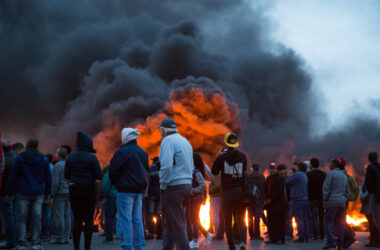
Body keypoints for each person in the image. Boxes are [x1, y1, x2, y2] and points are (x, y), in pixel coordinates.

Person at [6, 138, 52, 250]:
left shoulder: (21, 158)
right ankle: (36, 242)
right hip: (38, 193)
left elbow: (13, 175)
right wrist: (48, 193)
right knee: (36, 217)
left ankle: (21, 243)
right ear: (37, 145)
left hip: (23, 192)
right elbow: (48, 177)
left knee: (21, 218)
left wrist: (9, 191)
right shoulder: (43, 158)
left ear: (27, 145)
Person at [109, 128, 149, 250]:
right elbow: (146, 171)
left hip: (125, 190)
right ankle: (139, 246)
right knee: (137, 220)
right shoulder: (142, 152)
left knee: (125, 219)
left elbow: (113, 171)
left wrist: (117, 183)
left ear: (125, 137)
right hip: (139, 191)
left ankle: (127, 246)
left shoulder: (122, 152)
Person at [158, 118, 193, 250]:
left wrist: (163, 185)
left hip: (174, 187)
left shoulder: (167, 141)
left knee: (177, 222)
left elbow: (166, 166)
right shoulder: (185, 141)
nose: (160, 133)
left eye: (160, 130)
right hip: (187, 185)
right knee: (171, 221)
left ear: (164, 130)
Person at [64, 131, 102, 250]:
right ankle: (87, 247)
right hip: (88, 190)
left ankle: (76, 247)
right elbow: (99, 175)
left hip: (74, 190)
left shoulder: (71, 156)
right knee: (88, 220)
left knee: (77, 219)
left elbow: (66, 175)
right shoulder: (92, 157)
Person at [211, 132, 247, 250]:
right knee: (241, 220)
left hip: (227, 194)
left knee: (228, 221)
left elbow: (214, 171)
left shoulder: (222, 157)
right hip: (240, 193)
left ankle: (231, 245)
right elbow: (244, 171)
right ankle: (242, 242)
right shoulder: (242, 156)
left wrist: (220, 156)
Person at [187, 153, 213, 248]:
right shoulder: (193, 171)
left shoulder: (196, 172)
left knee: (193, 219)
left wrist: (193, 190)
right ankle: (206, 234)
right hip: (193, 198)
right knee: (193, 218)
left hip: (196, 198)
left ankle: (195, 241)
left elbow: (203, 185)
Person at [322, 159, 349, 250]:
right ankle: (340, 244)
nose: (329, 165)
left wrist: (325, 200)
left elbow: (326, 188)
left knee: (328, 220)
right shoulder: (344, 175)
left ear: (334, 164)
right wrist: (344, 199)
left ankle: (331, 241)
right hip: (342, 202)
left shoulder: (331, 174)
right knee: (341, 224)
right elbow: (347, 191)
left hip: (332, 201)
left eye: (330, 163)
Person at [50, 147, 70, 245]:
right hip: (69, 192)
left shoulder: (57, 166)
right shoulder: (70, 164)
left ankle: (59, 238)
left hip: (59, 193)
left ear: (59, 155)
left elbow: (55, 182)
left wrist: (52, 194)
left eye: (57, 154)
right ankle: (66, 237)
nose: (56, 155)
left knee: (59, 216)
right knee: (67, 216)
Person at [286, 162, 310, 242]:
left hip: (298, 200)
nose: (295, 168)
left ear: (299, 168)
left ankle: (301, 237)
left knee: (299, 219)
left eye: (296, 167)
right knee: (305, 218)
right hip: (304, 199)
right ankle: (307, 236)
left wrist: (287, 175)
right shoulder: (304, 175)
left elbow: (287, 181)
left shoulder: (298, 174)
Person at [264, 163, 287, 245]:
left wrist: (271, 199)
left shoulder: (280, 179)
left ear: (276, 170)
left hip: (279, 204)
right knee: (271, 221)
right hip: (270, 204)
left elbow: (279, 191)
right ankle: (273, 238)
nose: (272, 170)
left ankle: (280, 238)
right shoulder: (268, 178)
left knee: (279, 221)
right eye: (270, 168)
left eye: (273, 168)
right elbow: (265, 190)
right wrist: (267, 198)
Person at [337, 157, 357, 248]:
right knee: (340, 220)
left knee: (339, 220)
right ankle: (347, 236)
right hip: (341, 200)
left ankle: (348, 236)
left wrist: (349, 197)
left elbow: (355, 189)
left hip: (340, 200)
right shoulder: (346, 176)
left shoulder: (343, 176)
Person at [0, 141, 17, 249]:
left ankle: (11, 241)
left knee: (7, 218)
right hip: (12, 193)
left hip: (5, 193)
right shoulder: (14, 159)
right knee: (11, 216)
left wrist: (7, 192)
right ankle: (12, 240)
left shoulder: (5, 161)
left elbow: (7, 179)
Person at [307, 157, 326, 240]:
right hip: (320, 198)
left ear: (311, 164)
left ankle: (315, 234)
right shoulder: (323, 174)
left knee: (313, 217)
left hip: (311, 198)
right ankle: (322, 233)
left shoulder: (308, 175)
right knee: (321, 216)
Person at [360, 171, 380, 247]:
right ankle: (373, 240)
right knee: (372, 223)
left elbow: (366, 190)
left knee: (373, 223)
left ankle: (375, 240)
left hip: (370, 203)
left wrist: (363, 196)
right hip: (368, 203)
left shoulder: (371, 180)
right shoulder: (367, 179)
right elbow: (362, 189)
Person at [247, 164, 266, 240]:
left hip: (250, 201)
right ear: (259, 169)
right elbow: (264, 189)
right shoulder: (262, 177)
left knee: (250, 218)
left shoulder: (248, 178)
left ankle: (252, 235)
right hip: (260, 200)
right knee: (257, 218)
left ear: (252, 169)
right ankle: (257, 235)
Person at [146, 157, 163, 240]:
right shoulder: (163, 170)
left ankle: (151, 233)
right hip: (160, 194)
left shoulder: (150, 170)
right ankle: (160, 233)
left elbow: (147, 182)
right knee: (158, 214)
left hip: (151, 194)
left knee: (150, 214)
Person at [365, 152, 380, 247]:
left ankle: (376, 240)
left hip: (374, 196)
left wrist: (370, 192)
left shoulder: (370, 168)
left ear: (369, 159)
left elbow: (369, 183)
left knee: (375, 218)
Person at [102, 164, 117, 244]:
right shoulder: (121, 170)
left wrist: (105, 193)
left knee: (109, 217)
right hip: (121, 195)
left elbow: (105, 185)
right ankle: (122, 235)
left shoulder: (109, 172)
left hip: (111, 196)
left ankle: (109, 237)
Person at [40, 154, 54, 242]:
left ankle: (40, 234)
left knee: (38, 215)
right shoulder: (53, 168)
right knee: (48, 215)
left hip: (41, 193)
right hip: (49, 194)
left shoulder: (41, 167)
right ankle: (47, 234)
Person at [278, 164, 293, 240]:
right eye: (281, 170)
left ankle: (289, 233)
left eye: (284, 170)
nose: (282, 172)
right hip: (282, 202)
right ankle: (284, 233)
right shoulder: (279, 180)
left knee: (288, 218)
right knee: (283, 218)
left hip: (289, 201)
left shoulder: (288, 179)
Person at [209, 171, 224, 240]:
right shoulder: (223, 173)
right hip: (221, 196)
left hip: (216, 196)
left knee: (215, 216)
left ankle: (218, 233)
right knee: (220, 216)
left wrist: (211, 189)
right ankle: (219, 233)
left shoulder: (218, 174)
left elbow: (217, 185)